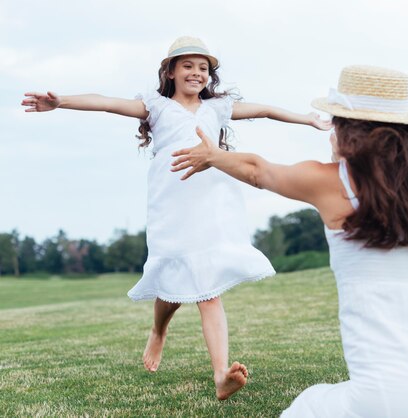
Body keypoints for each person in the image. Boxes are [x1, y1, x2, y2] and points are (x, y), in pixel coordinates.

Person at [21, 36, 331, 400]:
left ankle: (220, 375)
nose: (196, 73)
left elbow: (264, 110)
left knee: (207, 290)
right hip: (171, 205)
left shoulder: (217, 108)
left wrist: (307, 119)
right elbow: (106, 103)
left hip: (212, 204)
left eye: (203, 68)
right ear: (170, 71)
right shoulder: (156, 106)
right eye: (188, 65)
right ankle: (158, 331)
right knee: (171, 278)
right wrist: (61, 103)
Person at [171, 65, 408, 416]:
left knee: (309, 405)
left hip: (389, 397)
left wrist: (213, 155)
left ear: (347, 128)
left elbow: (259, 171)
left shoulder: (336, 183)